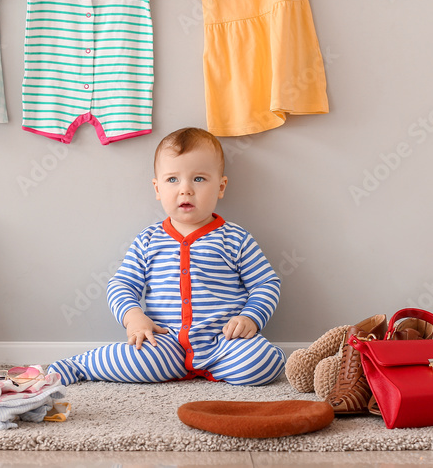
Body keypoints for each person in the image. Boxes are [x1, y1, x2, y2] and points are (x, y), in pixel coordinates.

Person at [47, 127, 285, 386]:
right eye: (173, 180)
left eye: (199, 179)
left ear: (221, 186)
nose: (186, 190)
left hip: (224, 342)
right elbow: (122, 284)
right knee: (137, 359)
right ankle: (77, 366)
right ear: (157, 188)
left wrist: (250, 317)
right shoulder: (148, 240)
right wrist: (133, 317)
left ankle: (233, 365)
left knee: (261, 363)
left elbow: (266, 284)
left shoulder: (236, 238)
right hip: (165, 342)